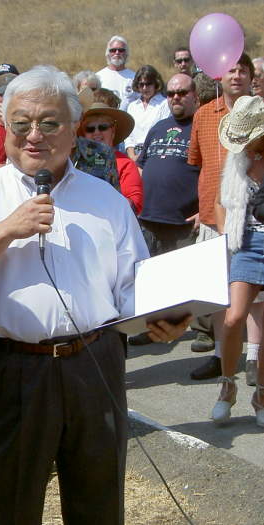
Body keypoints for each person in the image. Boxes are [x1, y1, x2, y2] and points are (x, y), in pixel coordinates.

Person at [0, 65, 189, 525]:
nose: (34, 135)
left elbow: (131, 287)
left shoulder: (106, 200)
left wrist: (163, 316)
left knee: (99, 499)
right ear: (4, 126)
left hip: (95, 365)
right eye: (21, 123)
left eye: (49, 123)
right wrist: (6, 231)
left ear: (73, 130)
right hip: (12, 370)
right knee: (7, 504)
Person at [188, 53, 257, 377]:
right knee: (217, 293)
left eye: (244, 70)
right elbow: (197, 163)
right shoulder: (203, 115)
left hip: (254, 221)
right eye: (231, 69)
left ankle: (254, 357)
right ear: (219, 76)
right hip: (213, 214)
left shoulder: (260, 114)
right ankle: (220, 356)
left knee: (255, 298)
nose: (237, 75)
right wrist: (203, 209)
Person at [128, 74, 200, 346]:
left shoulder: (201, 126)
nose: (176, 98)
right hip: (150, 216)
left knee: (190, 281)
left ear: (195, 95)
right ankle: (153, 330)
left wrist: (206, 207)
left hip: (183, 218)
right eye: (171, 93)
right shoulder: (158, 127)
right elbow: (142, 164)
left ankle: (204, 333)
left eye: (181, 92)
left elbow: (214, 172)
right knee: (153, 281)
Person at [211, 95, 264, 426]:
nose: (242, 145)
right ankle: (227, 385)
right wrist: (223, 232)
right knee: (233, 318)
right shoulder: (235, 161)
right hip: (244, 242)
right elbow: (219, 202)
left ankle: (261, 394)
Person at [76, 87, 142, 214]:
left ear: (113, 131)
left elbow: (134, 206)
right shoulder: (74, 161)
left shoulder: (125, 164)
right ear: (83, 133)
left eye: (103, 127)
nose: (97, 133)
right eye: (90, 128)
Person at [125, 65, 170, 162]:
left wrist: (142, 156)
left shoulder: (164, 104)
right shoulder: (132, 106)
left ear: (156, 84)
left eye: (148, 84)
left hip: (154, 155)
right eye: (141, 84)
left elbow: (161, 133)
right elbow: (129, 136)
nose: (145, 88)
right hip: (133, 156)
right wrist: (132, 157)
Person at [96, 35, 137, 110]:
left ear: (126, 54)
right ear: (108, 54)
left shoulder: (135, 78)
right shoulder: (98, 77)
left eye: (121, 50)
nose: (117, 53)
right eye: (113, 50)